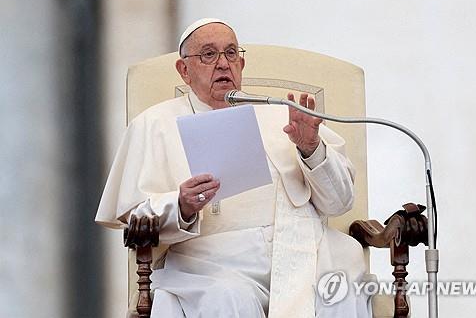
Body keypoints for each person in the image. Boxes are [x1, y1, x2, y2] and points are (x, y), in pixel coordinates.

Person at [96, 18, 371, 318]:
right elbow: (136, 217)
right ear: (184, 70)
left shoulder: (286, 116)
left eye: (230, 53)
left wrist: (311, 149)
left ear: (241, 64)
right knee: (227, 298)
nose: (223, 64)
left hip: (304, 249)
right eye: (209, 54)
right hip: (210, 262)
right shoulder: (154, 124)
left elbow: (340, 202)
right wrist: (181, 206)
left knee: (339, 280)